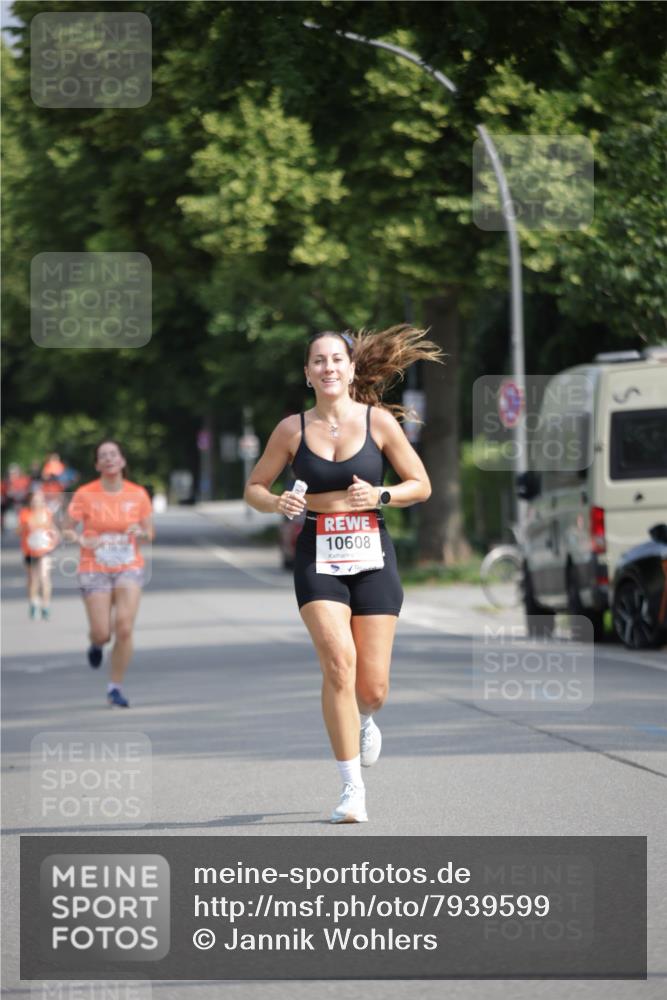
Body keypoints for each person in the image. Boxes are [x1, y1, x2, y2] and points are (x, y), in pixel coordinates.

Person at [244, 326, 441, 823]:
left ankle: (367, 719)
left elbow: (420, 484)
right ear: (307, 373)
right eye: (318, 361)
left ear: (352, 370)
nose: (328, 367)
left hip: (372, 551)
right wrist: (276, 502)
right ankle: (351, 789)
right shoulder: (291, 430)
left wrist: (382, 495)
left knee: (371, 687)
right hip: (318, 554)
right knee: (338, 662)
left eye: (337, 359)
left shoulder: (379, 424)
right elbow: (254, 487)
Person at [63, 440, 154, 708]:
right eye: (103, 456)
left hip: (128, 565)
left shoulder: (137, 494)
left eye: (113, 454)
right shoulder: (84, 494)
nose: (109, 459)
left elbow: (150, 533)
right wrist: (81, 540)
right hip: (95, 567)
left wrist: (141, 533)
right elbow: (67, 528)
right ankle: (96, 643)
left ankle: (115, 687)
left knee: (124, 628)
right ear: (97, 464)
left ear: (123, 461)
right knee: (103, 633)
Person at [17, 487, 59, 620]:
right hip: (29, 551)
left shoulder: (47, 513)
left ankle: (46, 605)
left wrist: (55, 536)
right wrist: (24, 527)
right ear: (30, 501)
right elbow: (18, 531)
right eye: (34, 500)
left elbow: (52, 528)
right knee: (32, 580)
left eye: (39, 500)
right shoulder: (25, 513)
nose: (37, 503)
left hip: (45, 550)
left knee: (44, 577)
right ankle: (34, 602)